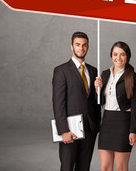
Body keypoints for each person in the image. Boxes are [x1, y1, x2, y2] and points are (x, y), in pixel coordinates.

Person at [52, 31, 101, 171]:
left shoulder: (93, 71)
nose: (81, 48)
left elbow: (95, 101)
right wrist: (63, 130)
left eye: (84, 45)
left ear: (88, 47)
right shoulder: (61, 71)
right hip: (70, 130)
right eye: (78, 45)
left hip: (90, 130)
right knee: (67, 167)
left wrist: (96, 124)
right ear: (71, 47)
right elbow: (58, 102)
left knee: (84, 167)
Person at [94, 41, 136, 171]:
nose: (118, 58)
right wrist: (98, 90)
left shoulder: (133, 77)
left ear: (127, 57)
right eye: (115, 54)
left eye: (122, 54)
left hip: (123, 123)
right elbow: (101, 102)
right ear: (111, 56)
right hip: (107, 121)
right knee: (105, 168)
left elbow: (135, 105)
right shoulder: (104, 74)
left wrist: (133, 130)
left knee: (121, 168)